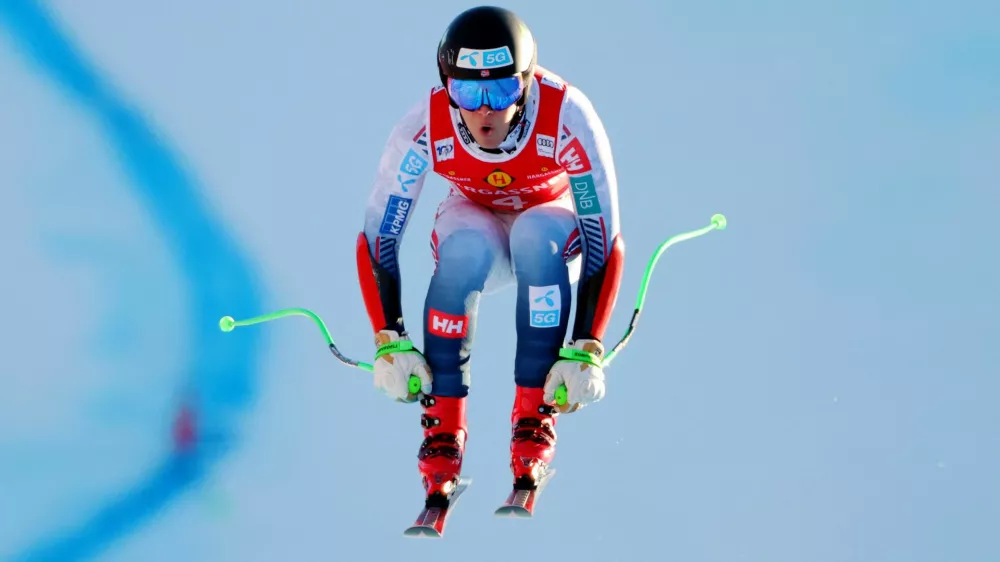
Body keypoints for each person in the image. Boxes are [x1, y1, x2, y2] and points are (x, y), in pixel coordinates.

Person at [355, 5, 625, 507]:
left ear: (526, 83)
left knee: (536, 236)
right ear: (446, 85)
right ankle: (443, 432)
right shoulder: (425, 125)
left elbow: (604, 238)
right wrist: (389, 339)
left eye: (501, 91)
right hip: (474, 215)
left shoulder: (567, 116)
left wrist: (587, 345)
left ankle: (533, 417)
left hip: (549, 218)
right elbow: (377, 239)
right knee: (461, 251)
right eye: (468, 92)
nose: (485, 111)